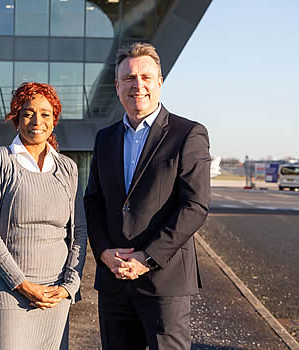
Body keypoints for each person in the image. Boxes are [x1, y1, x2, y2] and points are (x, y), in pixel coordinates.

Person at [84, 42, 211, 349]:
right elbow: (93, 201)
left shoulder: (188, 134)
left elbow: (194, 206)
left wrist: (147, 257)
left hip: (164, 284)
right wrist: (103, 253)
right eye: (128, 78)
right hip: (114, 282)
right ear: (117, 86)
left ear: (159, 82)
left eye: (145, 77)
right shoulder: (105, 138)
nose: (137, 85)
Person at [0, 82, 87, 350]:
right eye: (28, 112)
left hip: (56, 295)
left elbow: (79, 231)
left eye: (45, 114)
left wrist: (70, 285)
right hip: (9, 290)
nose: (37, 120)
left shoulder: (68, 168)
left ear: (54, 121)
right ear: (16, 118)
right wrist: (22, 284)